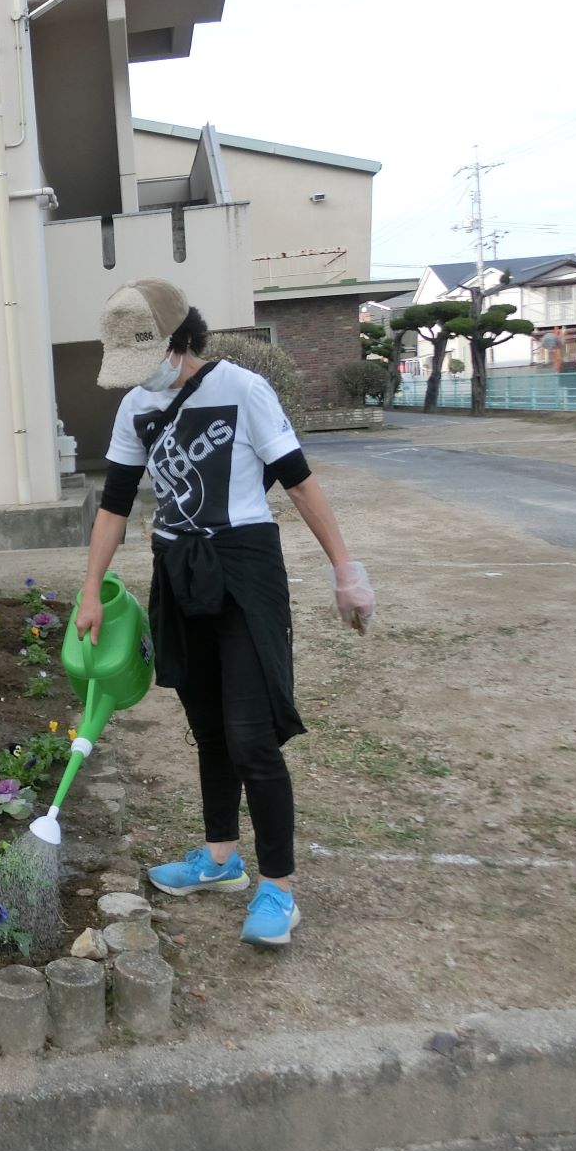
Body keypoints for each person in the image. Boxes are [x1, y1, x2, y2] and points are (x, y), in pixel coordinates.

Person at [76, 279, 375, 948]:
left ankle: (278, 889)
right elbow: (115, 506)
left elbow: (297, 480)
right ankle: (218, 859)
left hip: (243, 567)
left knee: (251, 735)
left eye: (146, 356)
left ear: (179, 340)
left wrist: (345, 570)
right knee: (208, 728)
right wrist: (90, 589)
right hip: (177, 570)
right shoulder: (136, 407)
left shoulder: (242, 390)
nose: (139, 375)